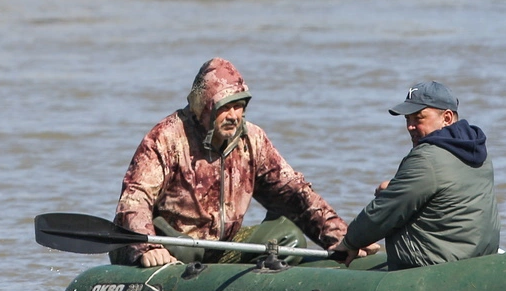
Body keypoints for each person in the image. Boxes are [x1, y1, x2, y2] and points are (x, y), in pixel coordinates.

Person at [113, 58, 352, 266]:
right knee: (185, 249)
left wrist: (342, 238)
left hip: (221, 247)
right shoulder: (167, 138)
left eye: (239, 106)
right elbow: (135, 198)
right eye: (225, 107)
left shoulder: (253, 140)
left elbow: (295, 193)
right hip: (167, 244)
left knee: (288, 237)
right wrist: (148, 247)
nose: (233, 116)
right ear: (205, 107)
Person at [333, 79, 499, 270]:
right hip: (477, 259)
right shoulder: (478, 152)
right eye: (407, 119)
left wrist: (351, 241)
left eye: (418, 118)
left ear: (446, 118)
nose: (410, 126)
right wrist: (393, 188)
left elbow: (386, 210)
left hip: (435, 269)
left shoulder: (427, 157)